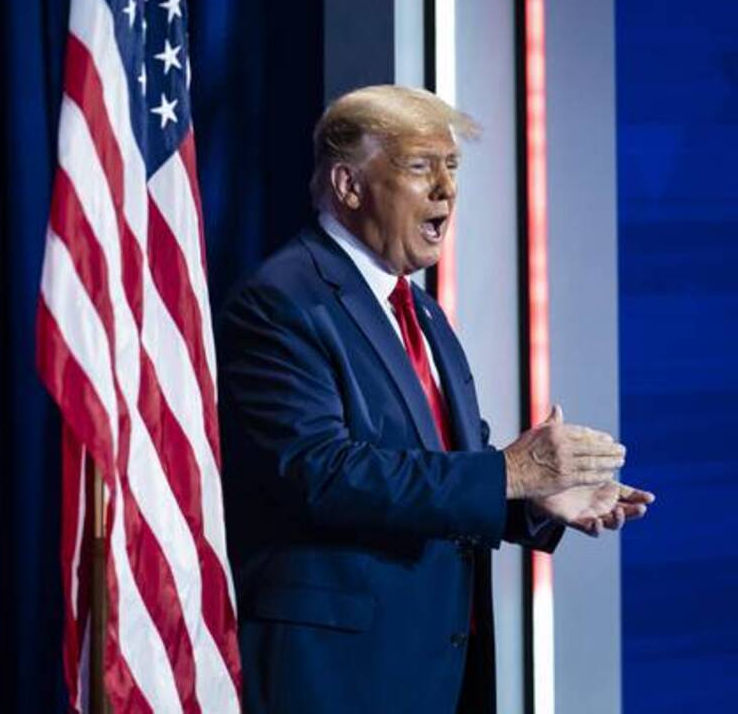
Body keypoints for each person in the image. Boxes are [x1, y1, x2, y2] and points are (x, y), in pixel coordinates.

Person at [218, 85, 654, 713]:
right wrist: (505, 472)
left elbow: (447, 471)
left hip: (436, 669)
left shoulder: (418, 309)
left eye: (452, 168)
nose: (447, 190)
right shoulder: (282, 301)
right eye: (421, 167)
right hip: (337, 678)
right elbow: (319, 472)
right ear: (348, 186)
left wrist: (530, 499)